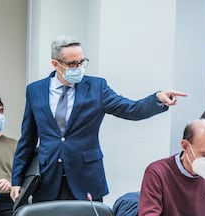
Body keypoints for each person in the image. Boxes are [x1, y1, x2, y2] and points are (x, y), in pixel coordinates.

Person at [10, 35, 187, 203]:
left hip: (86, 178)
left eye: (81, 62)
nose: (78, 67)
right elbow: (28, 139)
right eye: (72, 64)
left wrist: (157, 99)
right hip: (47, 179)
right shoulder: (35, 90)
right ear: (55, 64)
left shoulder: (97, 87)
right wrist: (17, 180)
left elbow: (131, 109)